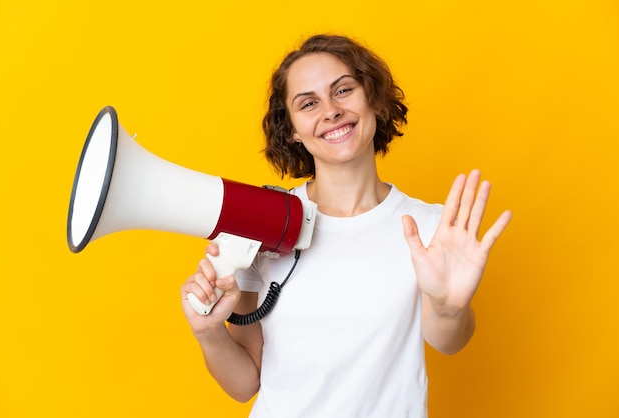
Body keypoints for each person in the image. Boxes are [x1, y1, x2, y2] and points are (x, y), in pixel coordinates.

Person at [181, 34, 512, 417]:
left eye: (343, 90)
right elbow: (243, 385)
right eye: (308, 103)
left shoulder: (431, 227)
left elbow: (448, 342)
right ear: (291, 130)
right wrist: (208, 332)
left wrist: (449, 306)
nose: (331, 110)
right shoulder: (263, 221)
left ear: (373, 99)